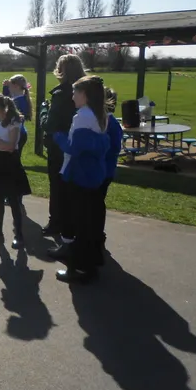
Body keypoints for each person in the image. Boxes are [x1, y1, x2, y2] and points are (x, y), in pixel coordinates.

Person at [51, 75, 111, 284]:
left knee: (80, 221)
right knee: (88, 219)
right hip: (93, 174)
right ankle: (89, 262)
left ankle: (82, 268)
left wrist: (58, 137)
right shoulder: (99, 113)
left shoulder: (83, 116)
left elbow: (75, 148)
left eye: (76, 92)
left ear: (85, 95)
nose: (72, 96)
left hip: (80, 174)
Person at [42, 54, 86, 236]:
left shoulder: (61, 94)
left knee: (58, 186)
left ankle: (56, 223)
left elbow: (49, 124)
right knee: (76, 188)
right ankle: (76, 223)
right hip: (81, 144)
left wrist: (44, 110)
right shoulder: (88, 90)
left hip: (60, 146)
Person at [0, 93, 31, 247]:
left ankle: (19, 235)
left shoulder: (14, 121)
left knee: (14, 199)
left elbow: (11, 147)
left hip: (11, 161)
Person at [2, 74, 33, 210]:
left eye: (9, 85)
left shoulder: (20, 101)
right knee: (12, 165)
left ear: (15, 86)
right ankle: (12, 194)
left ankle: (16, 195)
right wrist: (5, 87)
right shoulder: (18, 98)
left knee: (14, 166)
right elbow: (5, 99)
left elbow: (5, 105)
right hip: (16, 134)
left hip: (18, 135)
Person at [100, 87, 123, 253]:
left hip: (104, 171)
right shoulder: (102, 122)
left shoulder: (111, 124)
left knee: (96, 204)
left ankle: (98, 236)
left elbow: (114, 149)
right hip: (101, 170)